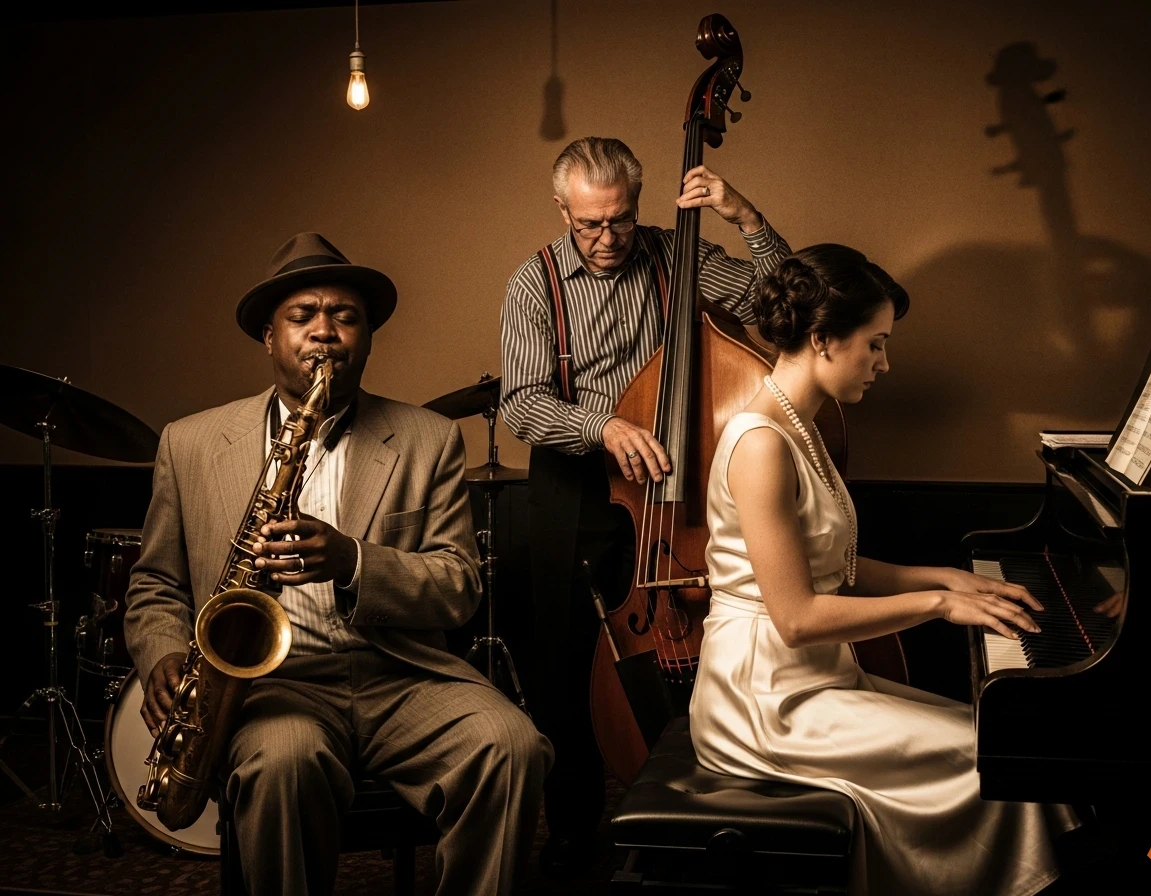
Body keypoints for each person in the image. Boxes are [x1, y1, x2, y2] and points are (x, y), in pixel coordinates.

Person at [124, 232, 552, 896]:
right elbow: (155, 583)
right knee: (281, 765)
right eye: (304, 317)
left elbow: (459, 586)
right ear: (270, 337)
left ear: (368, 337)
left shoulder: (428, 438)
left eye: (345, 317)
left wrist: (351, 560)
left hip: (400, 675)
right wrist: (159, 654)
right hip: (275, 686)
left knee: (511, 746)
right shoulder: (190, 442)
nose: (325, 333)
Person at [688, 244, 1080, 895]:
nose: (884, 363)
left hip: (811, 682)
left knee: (993, 740)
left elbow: (830, 567)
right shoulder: (760, 443)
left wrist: (942, 577)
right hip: (764, 702)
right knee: (997, 762)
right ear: (822, 339)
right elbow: (797, 616)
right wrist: (937, 606)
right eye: (874, 344)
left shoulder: (803, 427)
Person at [499, 136, 790, 874]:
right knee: (565, 665)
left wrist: (745, 216)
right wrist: (603, 426)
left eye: (620, 220)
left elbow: (788, 305)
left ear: (638, 202)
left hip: (681, 491)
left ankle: (698, 812)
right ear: (563, 209)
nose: (605, 239)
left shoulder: (677, 253)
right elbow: (522, 404)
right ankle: (571, 829)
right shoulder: (533, 284)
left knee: (702, 644)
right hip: (576, 485)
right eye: (588, 224)